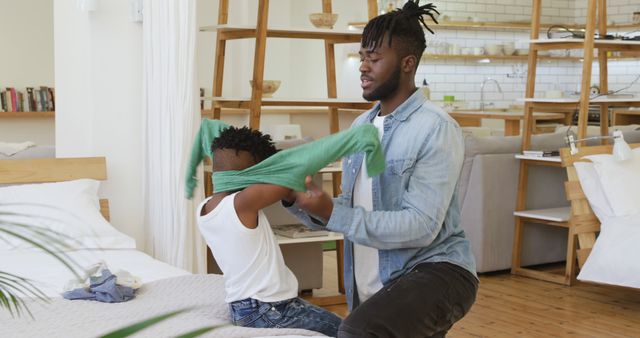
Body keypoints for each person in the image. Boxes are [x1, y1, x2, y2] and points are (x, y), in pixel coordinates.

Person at [282, 1, 478, 337]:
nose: (363, 67)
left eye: (374, 59)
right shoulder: (362, 125)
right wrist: (296, 197)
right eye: (362, 57)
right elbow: (353, 207)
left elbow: (422, 226)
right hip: (383, 284)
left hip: (439, 271)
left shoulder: (436, 128)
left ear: (406, 63)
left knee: (358, 331)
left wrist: (333, 213)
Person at [196, 126, 341, 337]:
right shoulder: (242, 204)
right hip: (270, 309)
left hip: (243, 308)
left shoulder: (205, 208)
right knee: (346, 330)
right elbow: (289, 178)